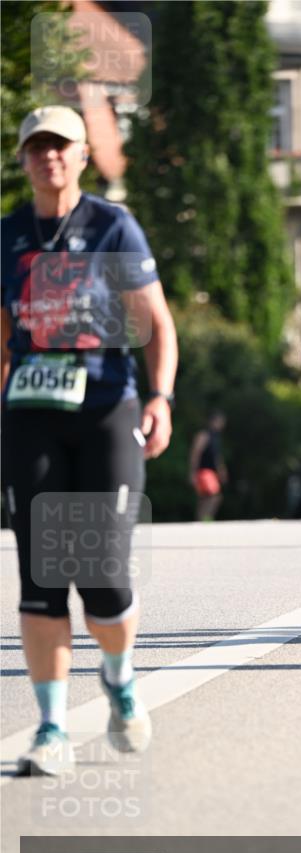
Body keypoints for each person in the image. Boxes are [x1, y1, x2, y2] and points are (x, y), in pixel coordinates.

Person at [1, 106, 178, 775]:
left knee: (102, 577)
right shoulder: (8, 235)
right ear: (23, 159)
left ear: (82, 156)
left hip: (106, 408)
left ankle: (119, 676)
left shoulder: (112, 226)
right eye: (37, 146)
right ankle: (50, 729)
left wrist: (159, 398)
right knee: (43, 578)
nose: (49, 156)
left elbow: (156, 324)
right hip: (29, 414)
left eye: (61, 146)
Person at [189, 411, 228, 521]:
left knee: (205, 498)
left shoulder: (216, 437)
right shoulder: (204, 435)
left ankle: (201, 521)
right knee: (214, 497)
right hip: (204, 471)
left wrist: (221, 471)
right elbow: (195, 453)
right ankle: (205, 520)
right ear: (212, 421)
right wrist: (192, 472)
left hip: (211, 473)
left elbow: (217, 457)